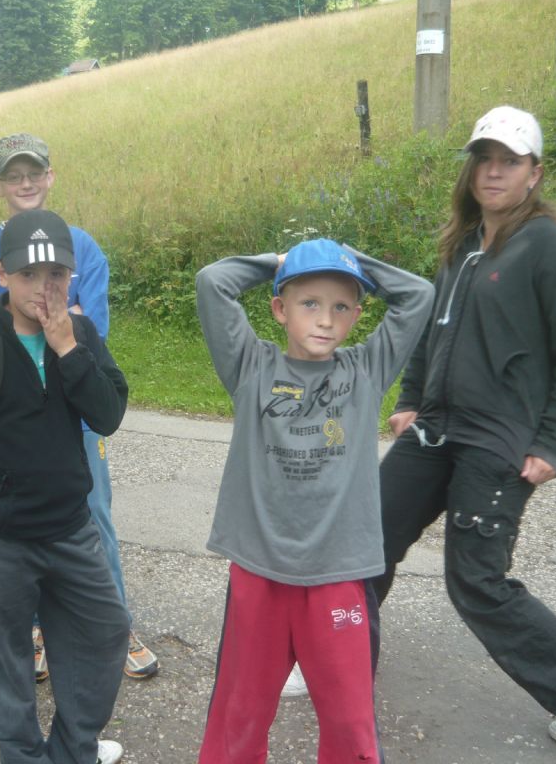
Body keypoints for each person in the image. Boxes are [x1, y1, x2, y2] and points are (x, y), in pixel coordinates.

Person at [372, 105, 556, 749]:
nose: (493, 171)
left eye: (509, 161)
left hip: (498, 440)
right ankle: (337, 654)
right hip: (436, 428)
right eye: (484, 159)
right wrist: (412, 398)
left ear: (535, 172)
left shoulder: (549, 246)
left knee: (476, 580)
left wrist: (552, 440)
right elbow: (432, 330)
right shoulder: (464, 243)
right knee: (366, 538)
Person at [194, 238, 434, 762]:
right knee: (241, 711)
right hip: (259, 567)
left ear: (357, 316)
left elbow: (418, 295)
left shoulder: (365, 371)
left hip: (338, 571)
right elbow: (213, 282)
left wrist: (350, 259)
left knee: (349, 718)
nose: (326, 320)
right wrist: (279, 264)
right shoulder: (251, 367)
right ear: (279, 309)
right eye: (309, 303)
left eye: (341, 307)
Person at [0, 209, 130, 764]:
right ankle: (23, 756)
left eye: (56, 274)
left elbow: (107, 415)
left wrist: (68, 350)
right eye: (28, 274)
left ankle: (73, 749)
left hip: (71, 529)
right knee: (8, 662)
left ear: (71, 276)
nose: (43, 287)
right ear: (2, 274)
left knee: (106, 632)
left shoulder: (81, 335)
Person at [0, 132, 159, 681]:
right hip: (14, 416)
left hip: (76, 407)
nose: (25, 183)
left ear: (50, 177)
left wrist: (43, 320)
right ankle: (36, 628)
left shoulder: (84, 247)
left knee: (94, 514)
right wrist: (60, 319)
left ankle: (114, 623)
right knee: (20, 522)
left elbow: (90, 332)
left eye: (34, 172)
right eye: (13, 176)